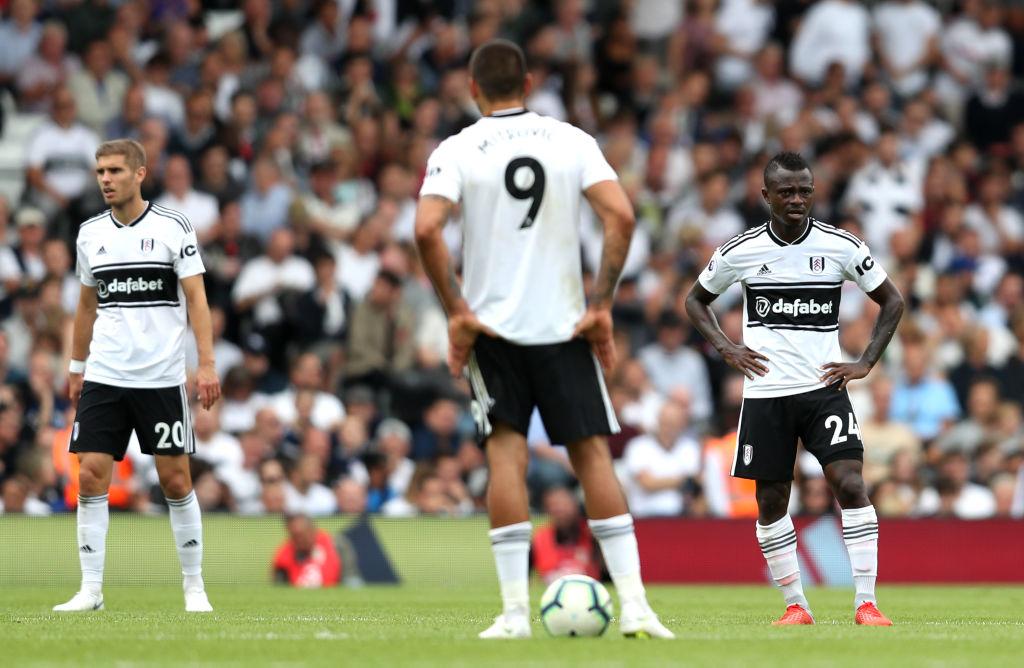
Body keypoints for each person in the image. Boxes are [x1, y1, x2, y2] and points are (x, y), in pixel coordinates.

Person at [414, 39, 672, 639]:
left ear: (473, 89)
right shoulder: (571, 140)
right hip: (564, 326)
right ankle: (634, 606)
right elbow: (623, 216)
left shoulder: (456, 149)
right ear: (527, 84)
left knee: (507, 456)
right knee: (591, 456)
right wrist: (602, 303)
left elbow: (426, 228)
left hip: (492, 331)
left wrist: (455, 310)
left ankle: (512, 616)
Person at [685, 151, 905, 626]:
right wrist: (728, 349)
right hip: (767, 393)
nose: (797, 199)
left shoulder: (842, 246)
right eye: (786, 191)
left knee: (849, 482)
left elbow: (892, 301)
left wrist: (866, 361)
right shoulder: (739, 250)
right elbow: (695, 300)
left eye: (805, 190)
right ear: (766, 196)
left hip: (824, 388)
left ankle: (866, 603)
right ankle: (796, 607)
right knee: (770, 501)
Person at [53, 139, 221, 613]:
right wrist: (76, 366)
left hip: (161, 377)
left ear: (140, 173)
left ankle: (194, 586)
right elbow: (87, 304)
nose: (105, 179)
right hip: (106, 372)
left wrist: (205, 363)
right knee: (88, 474)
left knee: (174, 480)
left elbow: (198, 300)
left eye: (114, 171)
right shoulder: (89, 233)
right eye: (100, 171)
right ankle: (90, 590)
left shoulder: (173, 227)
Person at [271, 514, 341, 588]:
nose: (299, 540)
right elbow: (279, 587)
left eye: (302, 535)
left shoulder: (335, 546)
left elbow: (348, 580)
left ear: (313, 530)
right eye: (295, 536)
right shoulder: (284, 555)